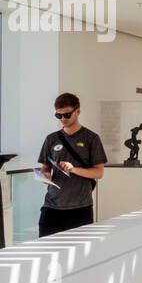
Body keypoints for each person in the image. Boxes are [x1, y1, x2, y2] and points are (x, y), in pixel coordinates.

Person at [37, 92, 107, 237]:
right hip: (51, 206)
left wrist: (73, 169)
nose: (63, 119)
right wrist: (45, 175)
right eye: (59, 115)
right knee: (45, 251)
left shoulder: (91, 138)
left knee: (79, 254)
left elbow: (98, 173)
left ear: (78, 111)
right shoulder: (51, 139)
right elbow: (45, 166)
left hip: (80, 208)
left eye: (67, 115)